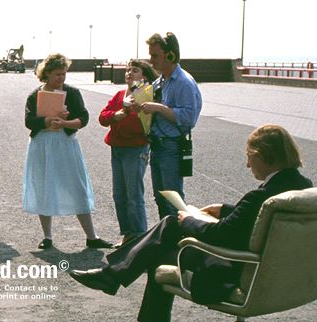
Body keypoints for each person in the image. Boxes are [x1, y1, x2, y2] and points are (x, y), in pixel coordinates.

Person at [69, 124, 313, 321]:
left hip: (237, 270)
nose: (248, 165)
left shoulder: (259, 196)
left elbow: (221, 235)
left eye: (250, 158)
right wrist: (226, 209)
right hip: (283, 276)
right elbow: (257, 216)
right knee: (162, 241)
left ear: (263, 156)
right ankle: (113, 277)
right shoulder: (303, 187)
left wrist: (188, 220)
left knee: (170, 231)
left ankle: (112, 276)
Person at [23, 53, 113, 250]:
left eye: (63, 74)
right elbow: (29, 121)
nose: (61, 78)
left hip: (65, 142)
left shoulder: (71, 93)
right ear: (46, 74)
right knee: (43, 186)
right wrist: (46, 121)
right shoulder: (34, 95)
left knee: (77, 185)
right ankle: (47, 236)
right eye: (57, 75)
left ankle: (91, 236)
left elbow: (84, 117)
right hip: (43, 143)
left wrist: (65, 122)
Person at [137, 32, 202, 219]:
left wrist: (157, 107)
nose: (151, 61)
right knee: (160, 197)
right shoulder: (161, 81)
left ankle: (178, 241)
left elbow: (189, 117)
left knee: (173, 200)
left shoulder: (183, 82)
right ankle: (166, 238)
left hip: (171, 146)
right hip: (158, 145)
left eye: (155, 55)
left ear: (170, 55)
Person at [99, 59, 158, 247]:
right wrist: (119, 112)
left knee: (134, 195)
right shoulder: (119, 95)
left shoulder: (146, 97)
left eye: (135, 70)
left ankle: (139, 236)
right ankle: (127, 233)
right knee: (119, 194)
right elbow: (102, 117)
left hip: (135, 149)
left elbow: (139, 127)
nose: (129, 73)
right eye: (127, 70)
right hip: (117, 148)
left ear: (145, 76)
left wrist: (121, 114)